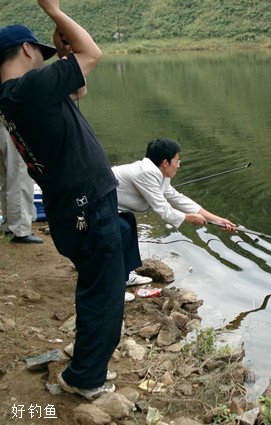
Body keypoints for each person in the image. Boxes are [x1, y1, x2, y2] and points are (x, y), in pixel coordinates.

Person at [0, 1, 124, 400]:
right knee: (104, 296)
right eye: (40, 51)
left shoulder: (18, 97)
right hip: (86, 205)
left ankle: (84, 361)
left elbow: (79, 87)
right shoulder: (28, 90)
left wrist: (65, 52)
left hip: (75, 206)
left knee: (98, 283)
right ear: (24, 50)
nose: (43, 57)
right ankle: (85, 379)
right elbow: (94, 55)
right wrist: (53, 11)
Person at [112, 138, 236, 248]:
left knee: (128, 225)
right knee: (124, 229)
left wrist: (218, 220)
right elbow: (163, 209)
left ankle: (123, 272)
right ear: (165, 163)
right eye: (177, 161)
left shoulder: (160, 174)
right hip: (98, 205)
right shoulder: (146, 173)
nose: (178, 165)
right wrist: (189, 218)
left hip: (112, 209)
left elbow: (177, 199)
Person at [0, 125, 43, 243]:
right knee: (20, 176)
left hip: (4, 123)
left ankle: (8, 224)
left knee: (6, 175)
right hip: (12, 124)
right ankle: (20, 230)